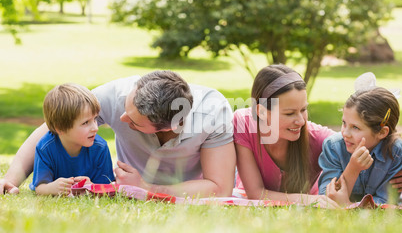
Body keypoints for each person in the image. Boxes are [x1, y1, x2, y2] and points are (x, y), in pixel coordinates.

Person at [0, 70, 235, 197]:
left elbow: (220, 187)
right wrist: (10, 180)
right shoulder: (116, 94)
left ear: (166, 128)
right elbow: (51, 129)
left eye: (132, 122)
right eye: (126, 107)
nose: (122, 118)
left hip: (186, 187)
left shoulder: (213, 112)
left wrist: (147, 188)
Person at [233, 64, 341, 208]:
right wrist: (304, 199)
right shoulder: (243, 123)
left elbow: (357, 145)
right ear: (262, 112)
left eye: (303, 110)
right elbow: (256, 193)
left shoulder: (318, 137)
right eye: (290, 113)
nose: (301, 121)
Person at [318, 87, 402, 206]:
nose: (345, 133)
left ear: (382, 132)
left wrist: (349, 205)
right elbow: (327, 199)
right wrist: (353, 168)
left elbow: (385, 203)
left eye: (355, 127)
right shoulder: (333, 147)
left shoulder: (397, 153)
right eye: (344, 123)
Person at [30, 83, 115, 195]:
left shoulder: (100, 148)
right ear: (60, 128)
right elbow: (40, 188)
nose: (95, 128)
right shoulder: (45, 147)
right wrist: (52, 188)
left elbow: (107, 187)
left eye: (95, 119)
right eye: (85, 123)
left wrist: (92, 187)